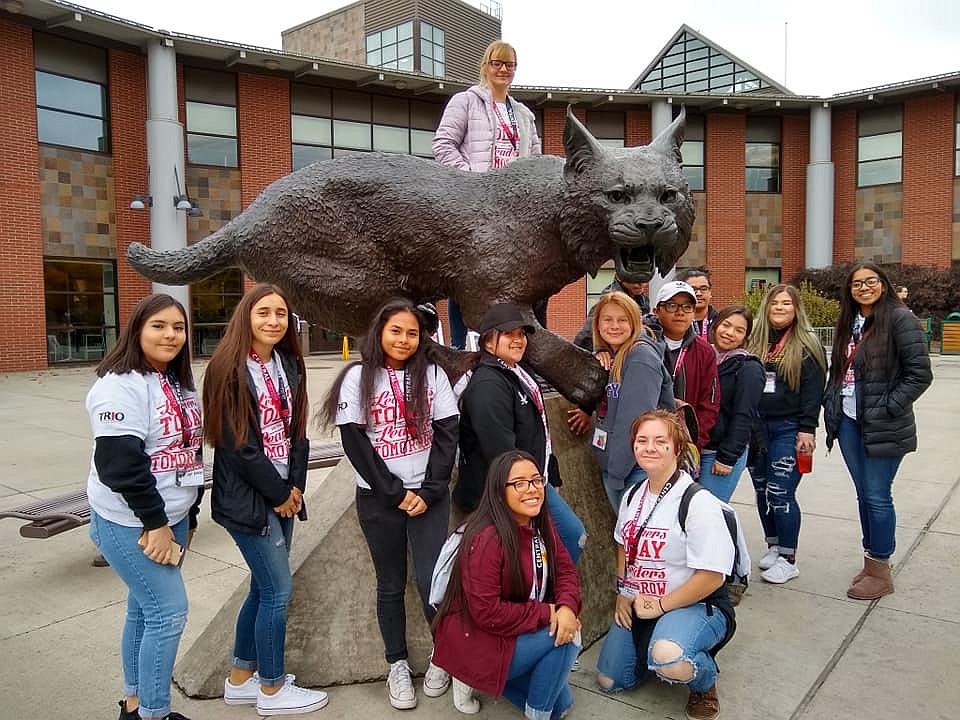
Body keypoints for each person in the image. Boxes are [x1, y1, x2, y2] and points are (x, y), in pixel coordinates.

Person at [323, 298, 459, 710]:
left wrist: (430, 491)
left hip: (429, 499)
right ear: (379, 332)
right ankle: (396, 663)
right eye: (395, 331)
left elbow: (448, 432)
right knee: (389, 584)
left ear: (422, 338)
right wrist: (395, 494)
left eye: (412, 333)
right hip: (379, 500)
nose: (403, 340)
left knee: (430, 580)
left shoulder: (433, 374)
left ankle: (446, 656)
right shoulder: (357, 377)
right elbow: (355, 441)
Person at [203, 283, 328, 715]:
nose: (273, 321)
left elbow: (297, 433)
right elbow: (237, 445)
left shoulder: (288, 363)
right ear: (246, 317)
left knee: (263, 586)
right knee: (278, 591)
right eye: (263, 313)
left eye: (280, 314)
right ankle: (272, 689)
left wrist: (295, 487)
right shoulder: (229, 367)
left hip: (283, 491)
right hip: (249, 498)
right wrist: (278, 494)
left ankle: (240, 678)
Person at [86, 293, 203, 720]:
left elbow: (186, 453)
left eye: (178, 327)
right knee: (169, 613)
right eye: (159, 325)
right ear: (137, 329)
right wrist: (155, 525)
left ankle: (134, 703)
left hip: (170, 517)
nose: (171, 335)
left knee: (144, 607)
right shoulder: (120, 384)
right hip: (130, 521)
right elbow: (120, 466)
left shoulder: (174, 379)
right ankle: (154, 713)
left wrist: (188, 515)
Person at [595, 409, 736, 720]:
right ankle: (657, 651)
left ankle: (703, 680)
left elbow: (712, 577)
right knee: (609, 680)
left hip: (693, 603)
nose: (650, 447)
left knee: (670, 658)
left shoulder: (698, 503)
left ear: (678, 448)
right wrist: (623, 592)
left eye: (661, 441)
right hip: (641, 602)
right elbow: (623, 545)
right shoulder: (633, 494)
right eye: (642, 440)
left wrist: (661, 606)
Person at [432, 450, 582, 720]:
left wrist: (567, 608)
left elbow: (566, 571)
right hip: (478, 637)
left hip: (515, 629)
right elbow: (487, 612)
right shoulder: (487, 538)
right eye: (519, 483)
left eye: (536, 481)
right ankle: (482, 680)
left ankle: (490, 678)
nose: (532, 490)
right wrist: (550, 613)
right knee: (567, 639)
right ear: (500, 491)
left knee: (562, 705)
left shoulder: (540, 520)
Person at [823, 263, 932, 599]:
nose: (864, 287)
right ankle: (872, 561)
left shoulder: (900, 319)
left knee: (877, 496)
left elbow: (919, 374)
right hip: (850, 424)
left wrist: (887, 407)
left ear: (883, 284)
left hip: (883, 425)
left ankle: (881, 570)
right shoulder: (848, 321)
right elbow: (839, 371)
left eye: (871, 281)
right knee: (864, 495)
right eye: (856, 283)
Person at [456, 303, 586, 565]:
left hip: (533, 481)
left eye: (521, 334)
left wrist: (551, 473)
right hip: (506, 491)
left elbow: (539, 429)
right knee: (564, 541)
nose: (517, 340)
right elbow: (501, 451)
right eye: (508, 334)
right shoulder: (488, 384)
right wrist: (531, 488)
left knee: (567, 541)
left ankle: (544, 599)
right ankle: (539, 602)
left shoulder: (518, 371)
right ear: (488, 342)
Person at [433, 40, 542, 349]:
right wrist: (471, 178)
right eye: (497, 63)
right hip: (475, 202)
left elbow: (535, 159)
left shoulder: (524, 114)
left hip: (513, 207)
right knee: (466, 274)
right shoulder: (466, 101)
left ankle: (509, 345)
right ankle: (458, 347)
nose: (503, 70)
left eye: (510, 65)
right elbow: (442, 145)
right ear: (486, 66)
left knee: (511, 277)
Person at [745, 284, 827, 584]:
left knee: (781, 492)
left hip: (790, 428)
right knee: (762, 490)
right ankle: (774, 544)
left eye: (786, 304)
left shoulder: (807, 345)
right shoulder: (756, 341)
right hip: (757, 428)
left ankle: (789, 558)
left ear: (796, 310)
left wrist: (808, 428)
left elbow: (814, 392)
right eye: (775, 303)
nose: (779, 308)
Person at [566, 291, 675, 510]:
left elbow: (634, 422)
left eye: (622, 320)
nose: (614, 326)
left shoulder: (640, 359)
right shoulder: (615, 355)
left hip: (636, 469)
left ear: (634, 322)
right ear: (597, 325)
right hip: (620, 465)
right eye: (608, 319)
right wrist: (600, 353)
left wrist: (616, 473)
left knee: (634, 538)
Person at [700, 305, 765, 503]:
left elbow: (744, 416)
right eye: (726, 325)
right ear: (715, 326)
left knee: (709, 515)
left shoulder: (749, 368)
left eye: (739, 330)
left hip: (720, 454)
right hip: (696, 449)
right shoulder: (704, 357)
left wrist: (727, 457)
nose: (729, 333)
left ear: (745, 337)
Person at [650, 281, 719, 451]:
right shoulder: (643, 344)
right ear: (657, 311)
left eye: (687, 307)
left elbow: (709, 403)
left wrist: (693, 441)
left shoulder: (705, 352)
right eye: (672, 305)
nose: (680, 312)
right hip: (647, 440)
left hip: (685, 443)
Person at [573, 274, 650, 351]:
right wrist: (599, 350)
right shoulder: (609, 301)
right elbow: (584, 338)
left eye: (645, 278)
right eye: (634, 279)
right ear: (618, 276)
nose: (640, 284)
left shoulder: (642, 299)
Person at [677, 269, 717, 341]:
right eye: (693, 289)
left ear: (710, 292)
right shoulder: (674, 321)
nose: (698, 293)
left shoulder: (720, 322)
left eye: (703, 289)